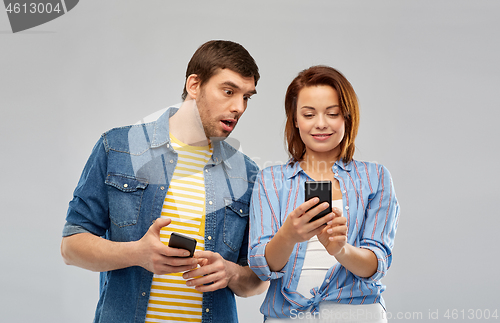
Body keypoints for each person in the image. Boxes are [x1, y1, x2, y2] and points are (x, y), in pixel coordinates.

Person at [61, 40, 268, 323]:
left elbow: (257, 281)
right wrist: (136, 253)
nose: (239, 107)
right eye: (229, 91)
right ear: (194, 85)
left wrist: (232, 273)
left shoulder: (248, 173)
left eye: (246, 97)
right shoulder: (118, 148)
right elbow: (72, 247)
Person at [248, 66, 400, 322]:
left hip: (357, 314)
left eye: (332, 113)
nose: (321, 124)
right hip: (288, 314)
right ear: (295, 120)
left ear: (347, 118)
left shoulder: (375, 178)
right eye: (309, 114)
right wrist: (288, 235)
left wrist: (341, 250)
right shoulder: (270, 180)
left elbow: (377, 264)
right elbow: (262, 267)